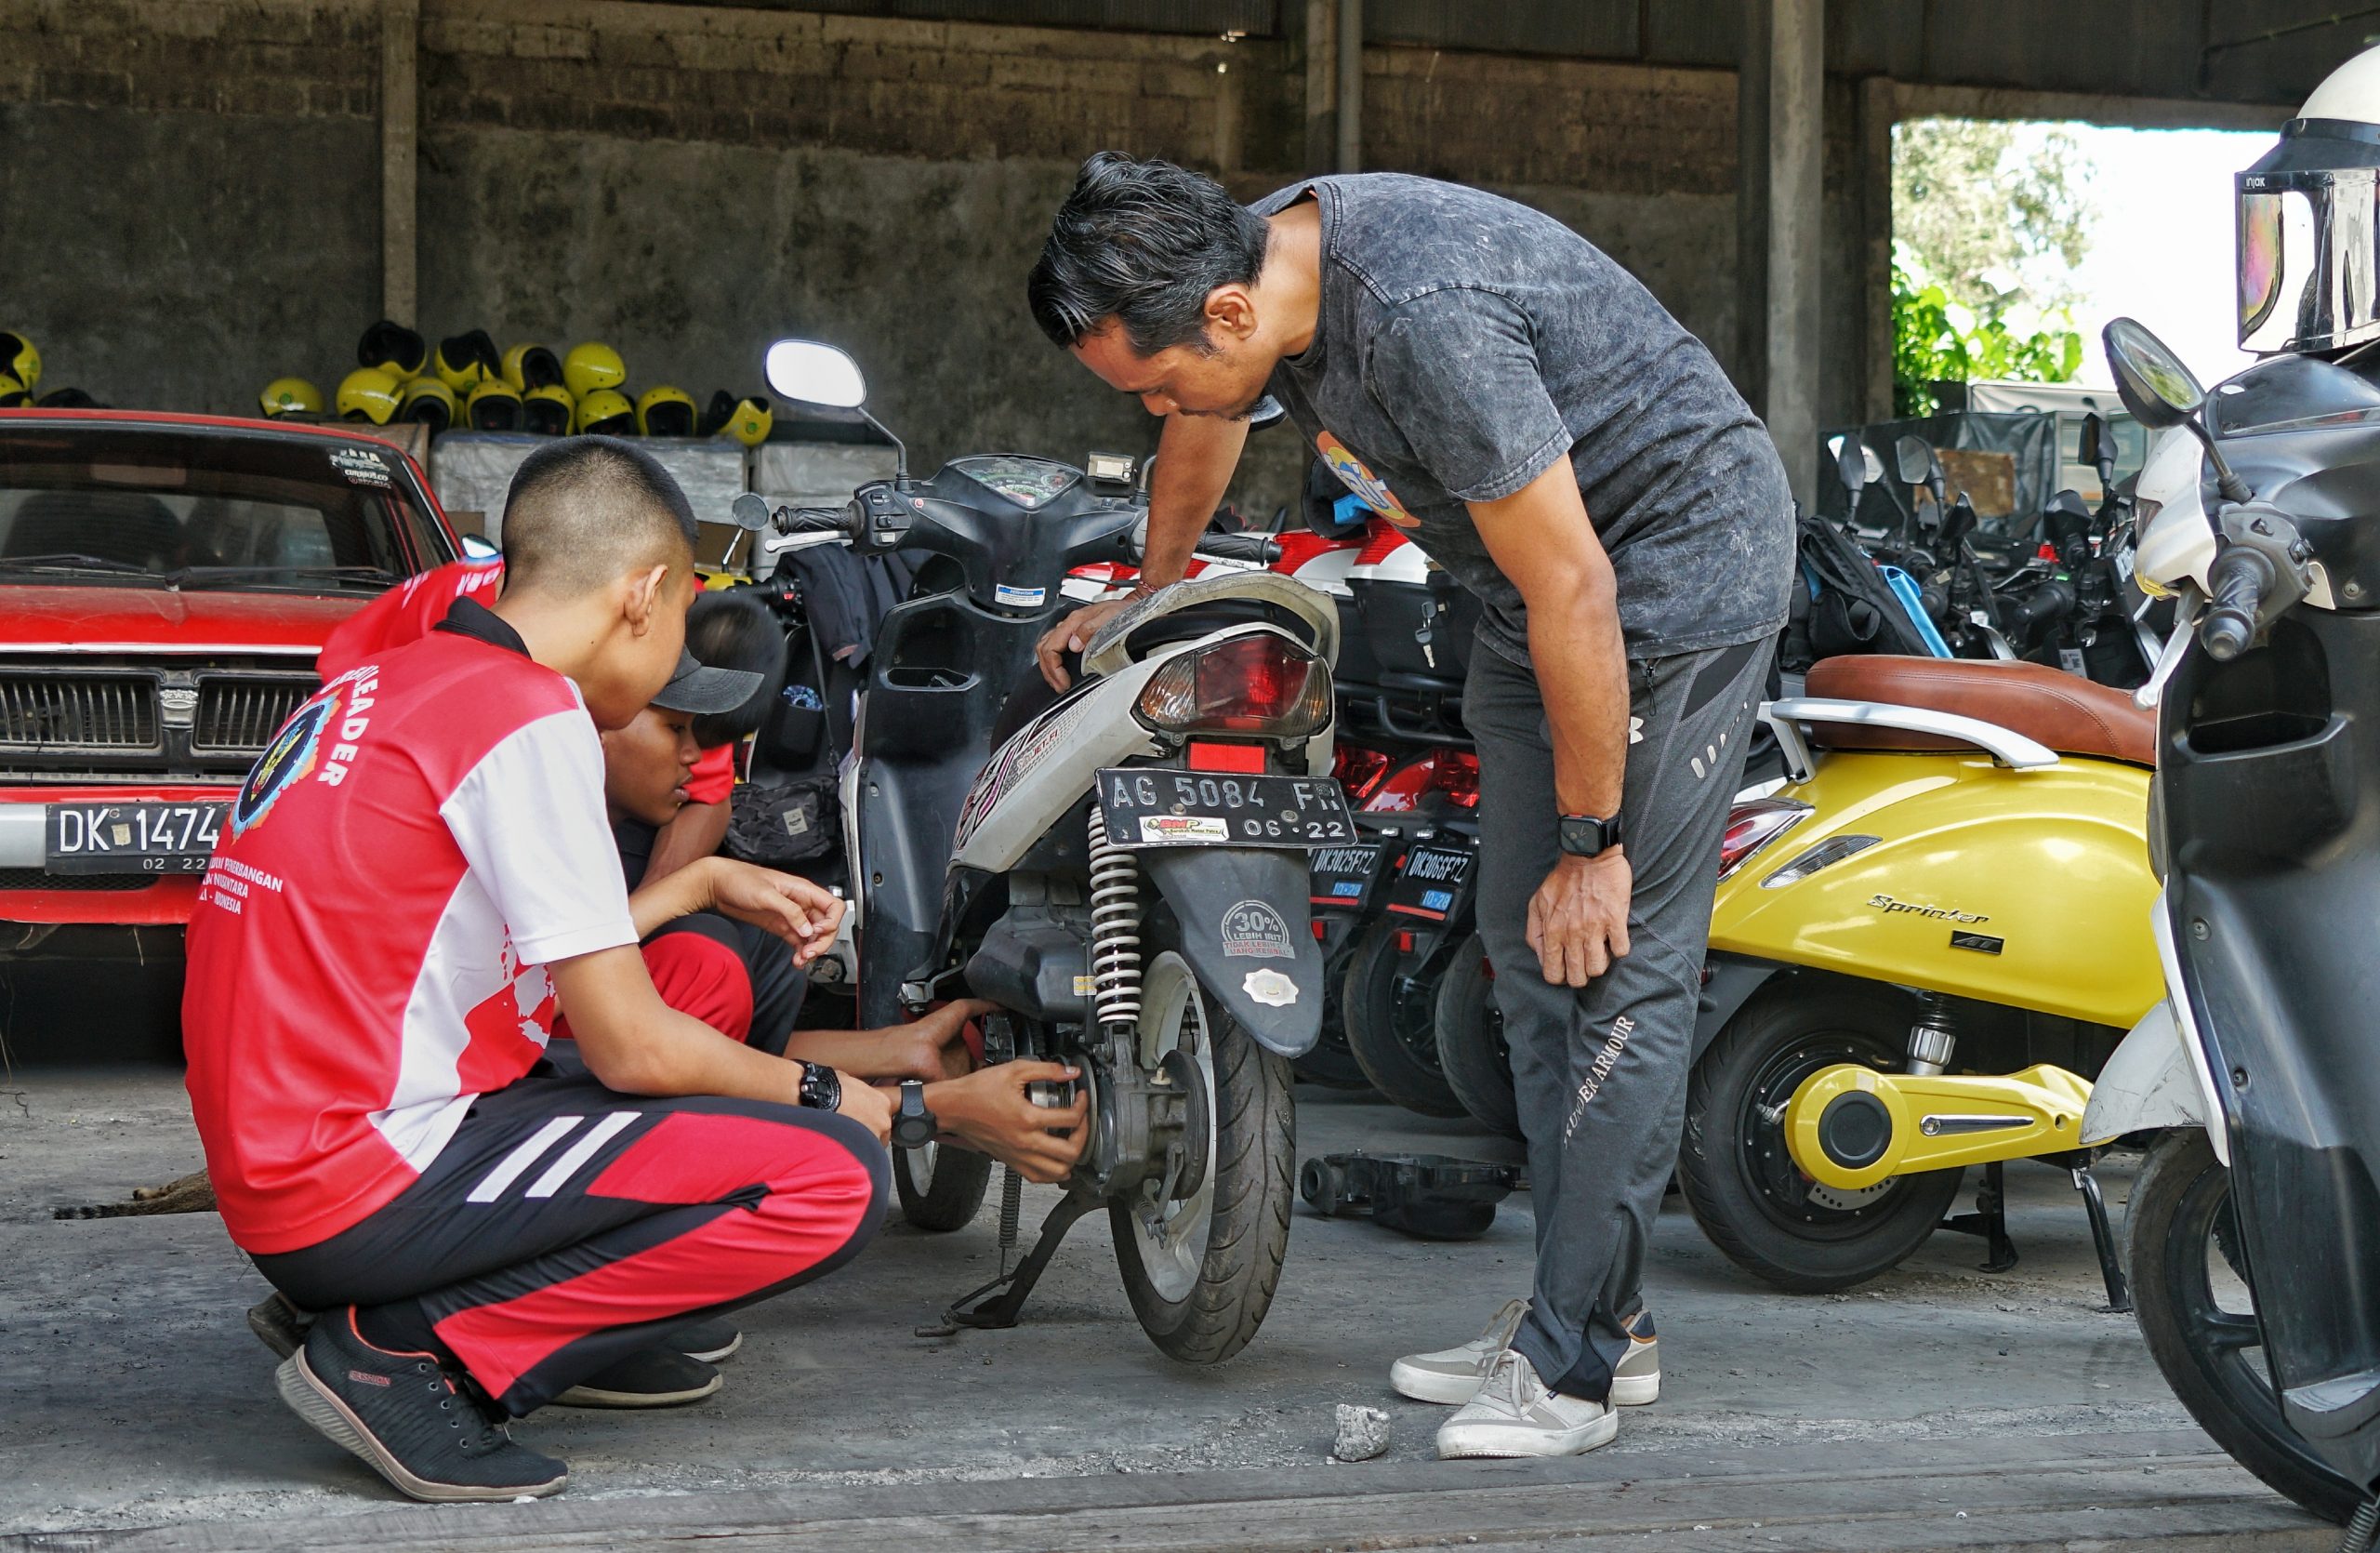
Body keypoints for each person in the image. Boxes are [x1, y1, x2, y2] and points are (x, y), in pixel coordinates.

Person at [1027, 156, 1794, 1460]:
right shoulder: (1254, 269)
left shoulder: (1425, 315)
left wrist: (1593, 844)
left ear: (1226, 315)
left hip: (1662, 590)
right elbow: (1207, 419)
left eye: (1153, 381)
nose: (1160, 407)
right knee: (1523, 957)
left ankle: (1577, 1364)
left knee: (1610, 960)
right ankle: (1597, 1310)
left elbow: (1585, 592)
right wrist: (1152, 596)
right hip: (1526, 600)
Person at [186, 437, 1089, 1504]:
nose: (674, 684)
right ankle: (405, 1347)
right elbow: (631, 1046)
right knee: (825, 1176)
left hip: (297, 1166)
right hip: (353, 1187)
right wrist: (894, 1106)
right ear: (644, 596)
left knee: (730, 1008)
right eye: (674, 648)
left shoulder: (395, 677)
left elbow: (551, 1003)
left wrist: (848, 1036)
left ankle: (478, 1309)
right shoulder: (526, 713)